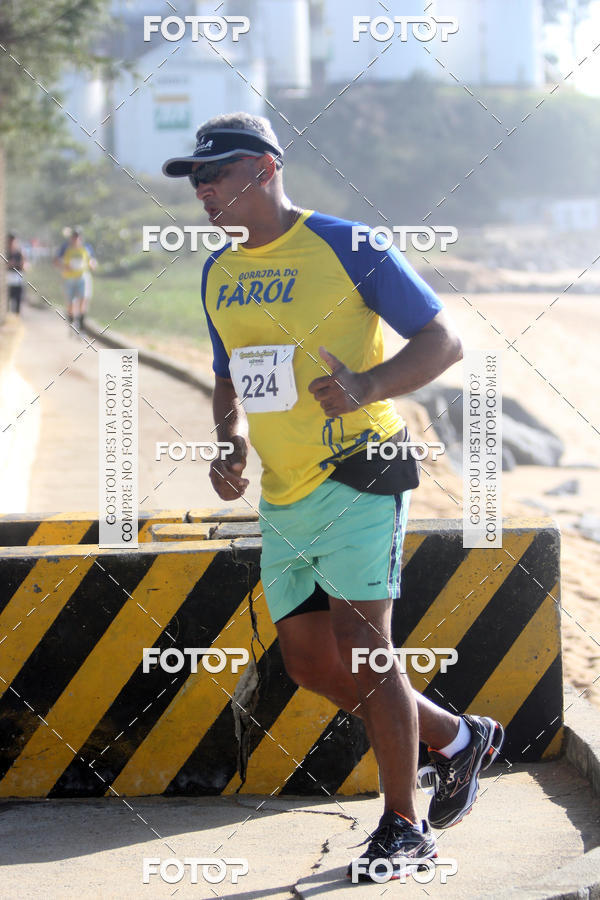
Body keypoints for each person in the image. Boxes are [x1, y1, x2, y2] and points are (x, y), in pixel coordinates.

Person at [163, 113, 505, 883]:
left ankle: (405, 827)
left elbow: (444, 340)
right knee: (311, 663)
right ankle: (458, 739)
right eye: (194, 179)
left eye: (214, 174)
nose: (202, 190)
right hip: (284, 492)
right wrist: (228, 442)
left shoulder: (349, 245)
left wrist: (367, 385)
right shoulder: (217, 271)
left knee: (365, 648)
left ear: (264, 168)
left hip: (362, 468)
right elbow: (227, 373)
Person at [54, 229, 97, 335]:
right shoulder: (65, 247)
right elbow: (56, 261)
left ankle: (81, 326)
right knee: (70, 303)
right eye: (74, 237)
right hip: (69, 278)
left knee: (84, 299)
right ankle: (72, 323)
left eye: (78, 237)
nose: (76, 239)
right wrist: (64, 266)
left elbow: (92, 260)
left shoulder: (86, 247)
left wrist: (92, 265)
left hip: (82, 277)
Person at [6, 233, 27, 315]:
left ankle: (16, 315)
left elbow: (23, 264)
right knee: (7, 298)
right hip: (8, 277)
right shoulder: (6, 252)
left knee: (17, 298)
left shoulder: (19, 252)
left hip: (17, 278)